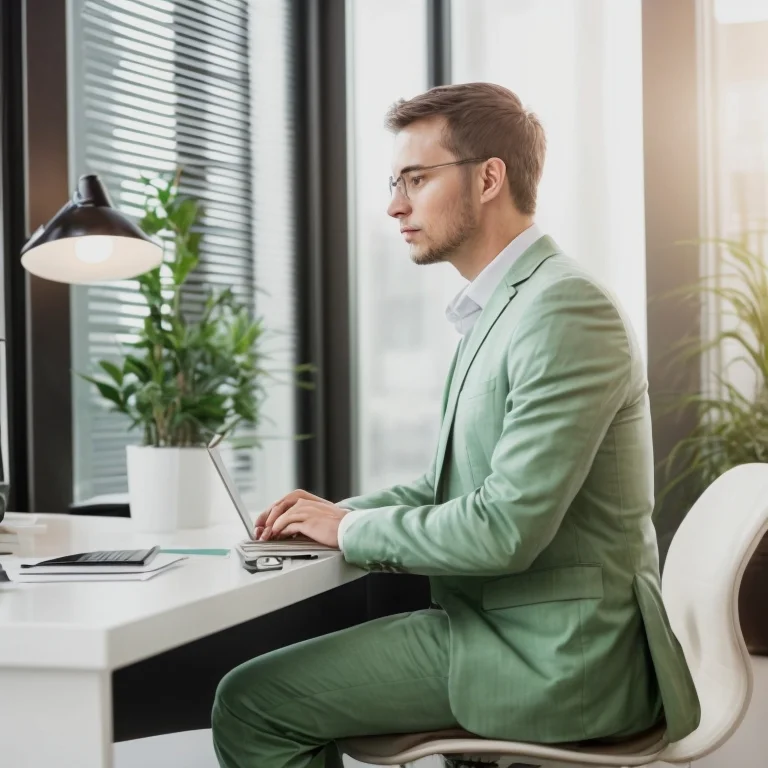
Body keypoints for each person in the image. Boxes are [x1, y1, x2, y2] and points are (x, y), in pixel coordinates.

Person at [211, 82, 700, 768]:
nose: (394, 205)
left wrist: (347, 531)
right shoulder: (502, 309)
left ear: (490, 177)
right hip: (507, 628)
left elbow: (503, 528)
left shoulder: (564, 312)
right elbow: (451, 488)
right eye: (394, 181)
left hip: (556, 655)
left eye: (416, 178)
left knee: (251, 702)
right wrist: (334, 513)